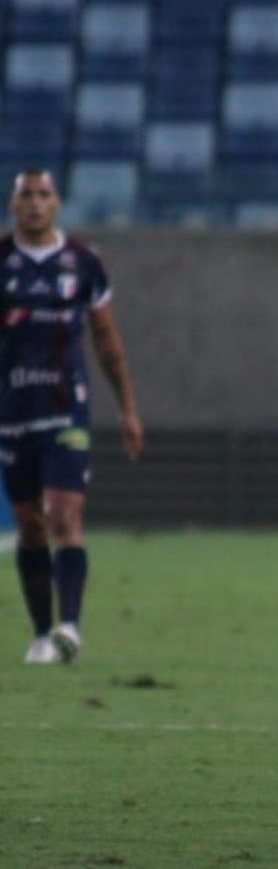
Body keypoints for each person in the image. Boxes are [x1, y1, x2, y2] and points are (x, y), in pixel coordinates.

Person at [1, 169, 144, 665]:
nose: (35, 204)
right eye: (26, 196)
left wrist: (127, 408)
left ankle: (71, 626)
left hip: (67, 410)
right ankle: (42, 633)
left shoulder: (83, 263)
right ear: (13, 204)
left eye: (44, 195)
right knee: (30, 525)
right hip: (13, 411)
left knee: (64, 515)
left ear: (57, 203)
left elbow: (106, 341)